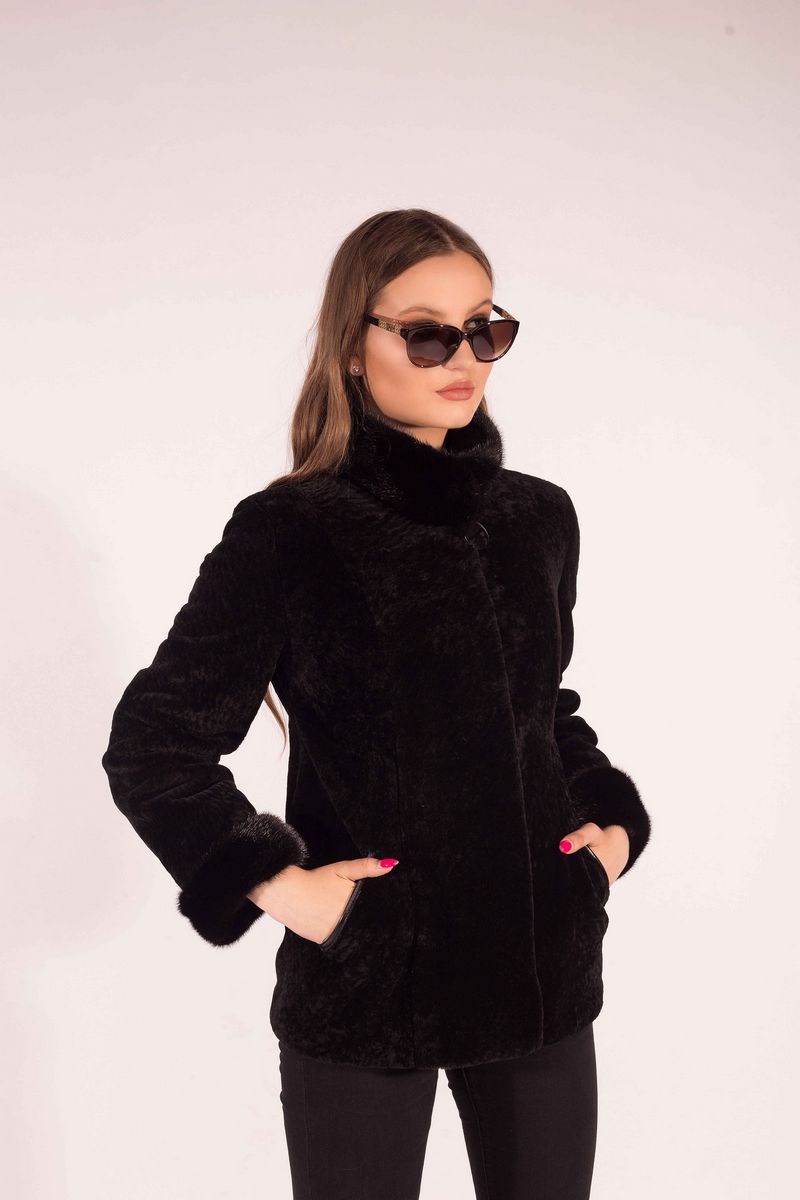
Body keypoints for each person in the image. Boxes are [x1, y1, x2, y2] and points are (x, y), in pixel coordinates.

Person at [101, 207, 651, 1200]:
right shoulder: (291, 531)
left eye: (484, 328)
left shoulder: (537, 517)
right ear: (354, 348)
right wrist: (291, 890)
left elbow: (543, 710)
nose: (463, 358)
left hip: (540, 978)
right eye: (427, 334)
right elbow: (154, 744)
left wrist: (608, 831)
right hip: (369, 991)